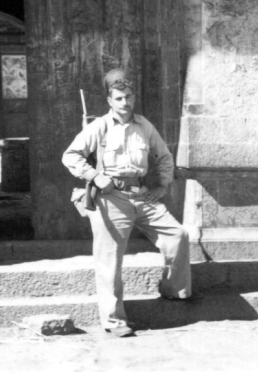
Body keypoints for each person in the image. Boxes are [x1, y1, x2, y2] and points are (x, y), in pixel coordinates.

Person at [62, 68, 194, 338]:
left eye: (129, 97)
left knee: (178, 235)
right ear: (110, 101)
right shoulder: (100, 126)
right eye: (119, 98)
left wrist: (161, 186)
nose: (125, 102)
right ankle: (114, 320)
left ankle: (173, 290)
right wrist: (95, 177)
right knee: (110, 259)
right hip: (111, 198)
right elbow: (71, 155)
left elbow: (164, 157)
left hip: (141, 195)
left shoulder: (144, 125)